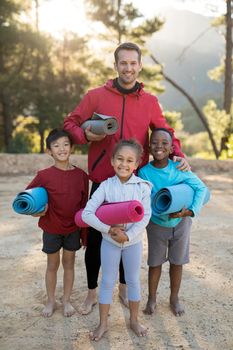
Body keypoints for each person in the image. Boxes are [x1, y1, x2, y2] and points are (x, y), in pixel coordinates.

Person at [63, 42, 190, 315]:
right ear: (115, 65)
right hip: (102, 178)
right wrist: (85, 135)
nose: (128, 68)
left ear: (139, 66)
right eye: (123, 63)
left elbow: (164, 131)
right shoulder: (95, 96)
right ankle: (92, 293)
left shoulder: (150, 102)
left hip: (134, 182)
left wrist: (178, 153)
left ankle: (122, 287)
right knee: (96, 239)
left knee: (129, 237)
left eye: (133, 63)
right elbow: (70, 124)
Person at [82, 139, 152, 340]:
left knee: (132, 281)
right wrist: (109, 229)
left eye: (130, 160)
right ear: (112, 161)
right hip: (110, 243)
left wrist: (128, 235)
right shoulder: (105, 186)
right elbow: (87, 214)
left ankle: (134, 321)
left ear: (137, 164)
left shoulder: (143, 187)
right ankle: (103, 324)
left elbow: (146, 216)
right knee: (107, 281)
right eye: (120, 159)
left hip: (133, 243)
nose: (124, 164)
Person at [138, 128, 209, 317]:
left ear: (171, 148)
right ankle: (152, 299)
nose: (159, 146)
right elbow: (146, 199)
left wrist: (191, 211)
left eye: (164, 143)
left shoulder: (179, 168)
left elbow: (201, 188)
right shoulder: (144, 172)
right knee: (155, 263)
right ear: (149, 146)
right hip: (157, 224)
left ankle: (174, 298)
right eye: (155, 142)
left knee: (177, 262)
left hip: (181, 223)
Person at [26, 129, 89, 317]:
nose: (61, 149)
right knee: (52, 265)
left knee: (69, 264)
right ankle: (51, 301)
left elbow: (85, 205)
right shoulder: (43, 175)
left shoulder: (81, 176)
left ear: (72, 148)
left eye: (65, 144)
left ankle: (67, 301)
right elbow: (27, 200)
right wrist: (37, 212)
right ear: (49, 151)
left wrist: (84, 235)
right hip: (51, 228)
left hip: (73, 229)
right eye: (56, 145)